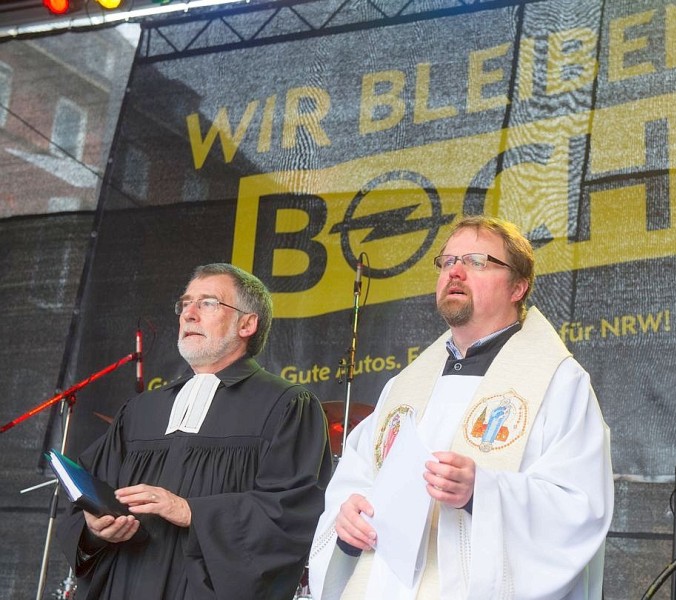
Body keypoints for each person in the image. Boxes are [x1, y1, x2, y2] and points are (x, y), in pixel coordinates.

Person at [309, 216, 614, 599]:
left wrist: (481, 492)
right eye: (448, 261)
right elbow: (354, 482)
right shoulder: (404, 387)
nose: (455, 271)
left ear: (518, 286)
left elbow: (579, 509)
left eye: (476, 261)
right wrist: (349, 519)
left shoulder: (558, 382)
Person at [57, 263, 333, 600]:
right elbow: (86, 499)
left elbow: (293, 514)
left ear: (247, 323)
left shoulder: (287, 406)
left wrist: (192, 512)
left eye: (208, 303)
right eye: (185, 303)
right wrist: (96, 528)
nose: (188, 313)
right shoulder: (141, 410)